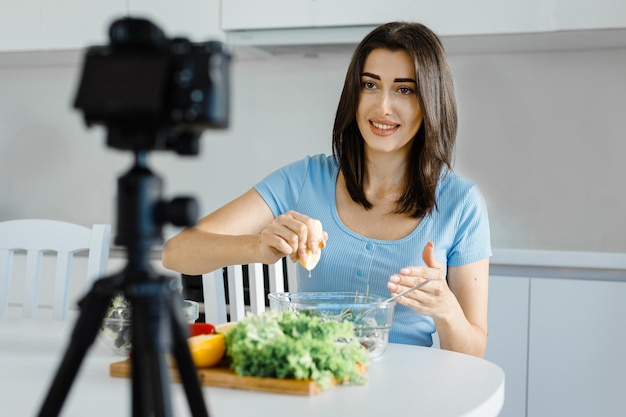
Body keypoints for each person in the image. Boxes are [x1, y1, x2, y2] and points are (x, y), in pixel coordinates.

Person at [162, 21, 491, 358]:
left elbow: (472, 352)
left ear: (430, 101)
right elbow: (177, 252)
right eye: (370, 85)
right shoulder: (305, 178)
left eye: (405, 90)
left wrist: (446, 308)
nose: (382, 107)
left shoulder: (461, 203)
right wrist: (259, 248)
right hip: (316, 386)